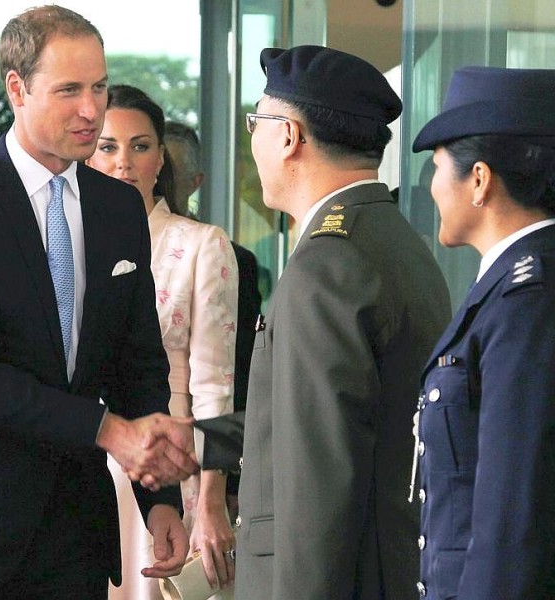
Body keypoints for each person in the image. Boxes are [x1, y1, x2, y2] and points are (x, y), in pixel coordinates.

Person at [0, 7, 196, 600]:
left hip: (71, 537)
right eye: (69, 89)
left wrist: (160, 500)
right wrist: (108, 431)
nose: (91, 109)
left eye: (98, 86)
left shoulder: (119, 208)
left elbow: (138, 363)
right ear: (16, 88)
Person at [188, 45, 451, 599]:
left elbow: (317, 486)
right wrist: (196, 440)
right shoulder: (387, 239)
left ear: (288, 136)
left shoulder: (327, 265)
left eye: (256, 122)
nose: (251, 140)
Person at [87, 84, 239, 599]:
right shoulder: (65, 240)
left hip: (170, 457)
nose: (123, 161)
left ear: (160, 160)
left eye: (140, 146)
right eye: (107, 146)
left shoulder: (200, 244)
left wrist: (213, 501)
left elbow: (216, 384)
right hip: (82, 457)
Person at [411, 66, 555, 599]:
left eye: (437, 167)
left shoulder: (526, 301)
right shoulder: (507, 289)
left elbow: (512, 514)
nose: (429, 186)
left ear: (479, 179)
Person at [163, 120, 262, 516]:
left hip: (190, 450)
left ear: (196, 181)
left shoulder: (226, 255)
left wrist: (227, 484)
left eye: (170, 170)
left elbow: (235, 371)